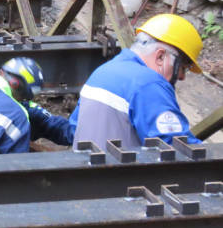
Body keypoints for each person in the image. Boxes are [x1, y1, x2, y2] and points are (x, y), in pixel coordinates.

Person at [69, 13, 204, 150]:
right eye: (182, 67)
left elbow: (73, 129)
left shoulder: (101, 72)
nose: (182, 77)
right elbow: (179, 149)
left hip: (87, 169)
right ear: (160, 56)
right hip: (121, 171)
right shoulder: (149, 85)